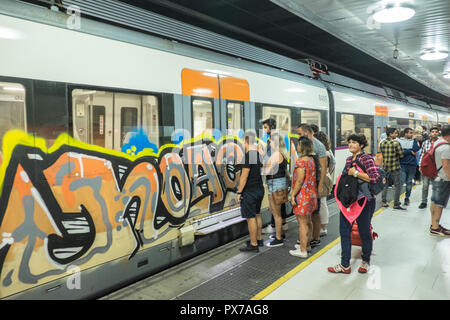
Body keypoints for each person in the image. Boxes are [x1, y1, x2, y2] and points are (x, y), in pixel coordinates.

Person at [328, 133, 380, 274]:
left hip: (365, 202)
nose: (351, 145)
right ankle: (345, 264)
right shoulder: (348, 159)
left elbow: (375, 178)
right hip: (349, 202)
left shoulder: (367, 159)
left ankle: (366, 261)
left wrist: (355, 173)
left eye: (354, 142)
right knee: (344, 232)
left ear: (361, 145)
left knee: (364, 232)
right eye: (349, 142)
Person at [297, 124, 328, 248]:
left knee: (314, 213)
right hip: (308, 185)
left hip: (313, 184)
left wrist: (320, 186)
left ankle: (315, 238)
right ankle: (308, 238)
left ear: (306, 133)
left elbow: (324, 167)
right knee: (310, 213)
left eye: (299, 133)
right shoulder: (306, 145)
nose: (298, 136)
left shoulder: (318, 146)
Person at [289, 136, 317, 258]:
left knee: (302, 223)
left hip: (302, 195)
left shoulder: (301, 162)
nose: (297, 147)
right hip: (311, 194)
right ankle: (308, 244)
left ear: (302, 147)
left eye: (299, 145)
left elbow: (299, 180)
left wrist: (292, 195)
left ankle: (302, 250)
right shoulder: (311, 160)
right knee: (308, 221)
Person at [236, 130, 265, 252]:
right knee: (257, 214)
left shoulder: (248, 156)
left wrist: (239, 192)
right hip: (259, 189)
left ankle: (253, 245)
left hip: (250, 191)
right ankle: (258, 239)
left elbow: (244, 176)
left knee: (250, 218)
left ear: (245, 141)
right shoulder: (257, 154)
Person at [260, 118, 289, 237]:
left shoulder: (277, 154)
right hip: (276, 182)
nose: (269, 143)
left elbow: (266, 169)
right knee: (276, 210)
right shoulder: (279, 153)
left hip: (276, 183)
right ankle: (279, 232)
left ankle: (278, 236)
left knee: (276, 212)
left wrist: (262, 159)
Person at [429, 125, 450, 236]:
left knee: (434, 201)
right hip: (443, 179)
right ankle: (435, 228)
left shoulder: (437, 142)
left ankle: (433, 224)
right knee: (439, 204)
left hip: (436, 176)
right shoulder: (446, 147)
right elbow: (446, 166)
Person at [314, 131, 336, 236]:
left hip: (321, 178)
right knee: (322, 203)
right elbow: (333, 164)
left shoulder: (323, 153)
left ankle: (323, 228)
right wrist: (328, 173)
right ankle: (322, 226)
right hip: (325, 177)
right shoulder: (328, 151)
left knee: (322, 203)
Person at [380, 128, 405, 210]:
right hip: (395, 167)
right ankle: (396, 203)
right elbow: (401, 155)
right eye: (395, 133)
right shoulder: (396, 143)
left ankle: (384, 202)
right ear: (390, 134)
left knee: (385, 185)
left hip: (386, 167)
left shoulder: (382, 143)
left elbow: (383, 154)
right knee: (397, 186)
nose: (396, 135)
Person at [418, 127, 440, 209]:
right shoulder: (425, 143)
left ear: (438, 133)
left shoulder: (441, 143)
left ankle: (436, 202)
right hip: (426, 167)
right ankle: (424, 202)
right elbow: (422, 155)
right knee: (425, 186)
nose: (434, 133)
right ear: (430, 133)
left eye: (436, 132)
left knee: (437, 186)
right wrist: (420, 165)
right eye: (433, 132)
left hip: (437, 168)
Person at [398, 128, 420, 206]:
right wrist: (410, 151)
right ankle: (397, 198)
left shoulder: (414, 141)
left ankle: (407, 198)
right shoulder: (399, 141)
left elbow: (416, 149)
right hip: (402, 164)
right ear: (405, 133)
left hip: (412, 165)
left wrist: (407, 150)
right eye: (410, 133)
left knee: (409, 182)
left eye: (412, 133)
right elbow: (400, 152)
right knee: (401, 181)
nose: (411, 134)